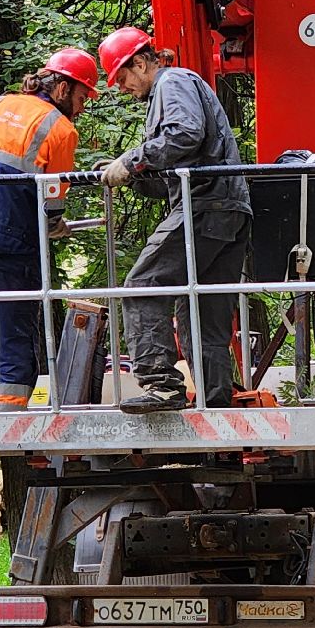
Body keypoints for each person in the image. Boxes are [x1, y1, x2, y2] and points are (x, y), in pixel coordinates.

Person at [98, 26, 252, 413]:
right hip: (227, 211)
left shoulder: (174, 81)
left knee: (143, 284)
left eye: (121, 77)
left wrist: (131, 161)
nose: (121, 88)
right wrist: (131, 175)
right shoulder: (177, 87)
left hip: (204, 206)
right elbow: (178, 165)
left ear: (139, 62)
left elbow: (185, 135)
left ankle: (161, 385)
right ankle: (215, 402)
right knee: (201, 311)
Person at [0, 48, 99, 411]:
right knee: (16, 325)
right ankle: (11, 413)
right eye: (81, 98)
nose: (81, 109)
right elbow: (53, 194)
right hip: (12, 237)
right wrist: (55, 226)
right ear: (63, 89)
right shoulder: (60, 129)